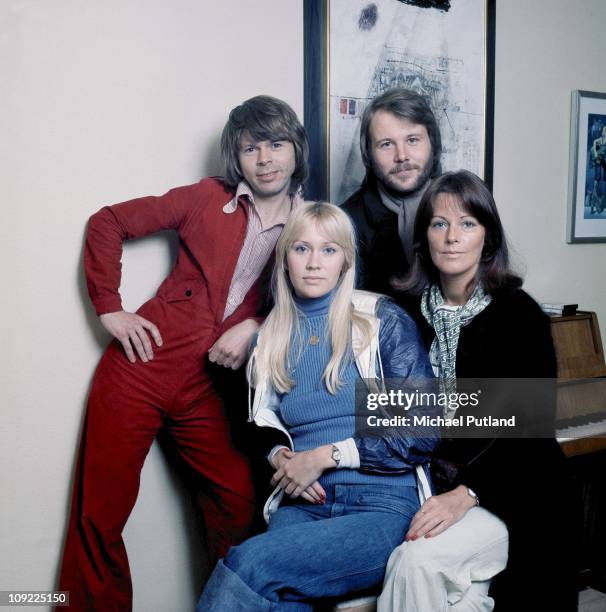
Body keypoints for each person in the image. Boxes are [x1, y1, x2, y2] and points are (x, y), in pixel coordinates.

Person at [57, 95, 308, 612]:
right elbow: (108, 222)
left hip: (209, 387)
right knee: (100, 512)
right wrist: (110, 307)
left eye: (276, 144)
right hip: (141, 369)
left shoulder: (311, 225)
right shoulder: (204, 198)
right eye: (250, 147)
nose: (265, 159)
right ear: (235, 158)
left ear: (296, 150)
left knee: (239, 502)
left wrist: (256, 326)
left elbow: (317, 303)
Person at [196, 202, 438, 611]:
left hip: (381, 504)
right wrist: (283, 457)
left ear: (345, 261)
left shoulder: (383, 322)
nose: (313, 263)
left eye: (328, 250)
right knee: (282, 600)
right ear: (285, 258)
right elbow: (255, 424)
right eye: (301, 249)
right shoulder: (270, 337)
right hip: (303, 505)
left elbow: (421, 430)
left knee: (248, 563)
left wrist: (324, 456)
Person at [379, 170, 580, 612]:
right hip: (428, 485)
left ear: (487, 237)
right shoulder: (404, 315)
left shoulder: (518, 315)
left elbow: (528, 429)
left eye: (467, 223)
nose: (452, 237)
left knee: (417, 564)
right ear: (424, 237)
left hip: (516, 489)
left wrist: (466, 493)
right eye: (439, 224)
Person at [341, 88, 442, 296]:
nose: (402, 156)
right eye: (386, 144)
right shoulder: (345, 223)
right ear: (368, 154)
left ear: (433, 142)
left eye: (412, 140)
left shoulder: (464, 206)